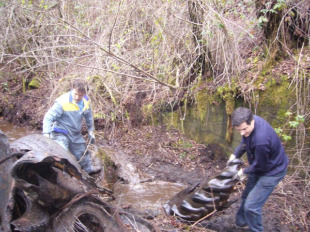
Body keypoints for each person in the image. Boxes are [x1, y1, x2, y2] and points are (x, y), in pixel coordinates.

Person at [228, 107, 288, 232]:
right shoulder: (250, 123)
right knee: (246, 196)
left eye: (244, 129)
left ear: (252, 121)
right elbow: (245, 140)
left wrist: (243, 172)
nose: (242, 133)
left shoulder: (261, 140)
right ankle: (241, 223)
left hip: (272, 172)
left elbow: (260, 166)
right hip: (259, 166)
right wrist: (235, 155)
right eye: (239, 130)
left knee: (252, 206)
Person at [42, 81, 99, 175]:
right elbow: (48, 117)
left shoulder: (86, 101)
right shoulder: (62, 102)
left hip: (75, 133)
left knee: (82, 152)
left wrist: (91, 131)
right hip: (59, 133)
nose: (77, 97)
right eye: (75, 94)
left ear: (85, 94)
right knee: (63, 154)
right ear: (72, 89)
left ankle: (88, 170)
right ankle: (65, 176)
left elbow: (89, 116)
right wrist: (46, 134)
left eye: (80, 95)